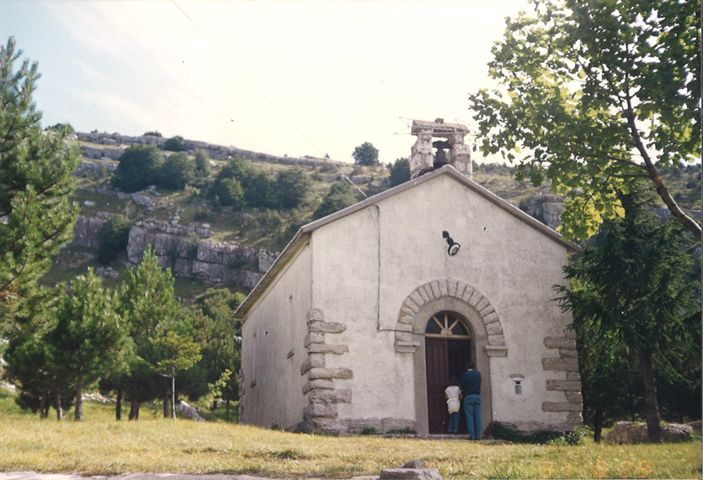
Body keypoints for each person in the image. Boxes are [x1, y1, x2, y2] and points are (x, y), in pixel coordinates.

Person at [459, 361, 481, 440]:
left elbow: (460, 386)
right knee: (478, 416)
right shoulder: (478, 374)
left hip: (468, 397)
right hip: (477, 396)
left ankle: (472, 435)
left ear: (466, 367)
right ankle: (478, 435)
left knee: (470, 416)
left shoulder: (465, 375)